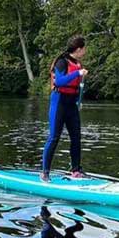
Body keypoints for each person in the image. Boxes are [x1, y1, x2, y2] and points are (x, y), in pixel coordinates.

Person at [41, 35, 88, 181]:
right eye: (84, 48)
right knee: (54, 137)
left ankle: (76, 170)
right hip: (59, 103)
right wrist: (77, 73)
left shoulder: (77, 63)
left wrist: (79, 100)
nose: (85, 51)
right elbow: (60, 82)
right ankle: (45, 172)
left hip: (71, 104)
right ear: (79, 49)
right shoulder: (62, 62)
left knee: (76, 137)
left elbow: (77, 86)